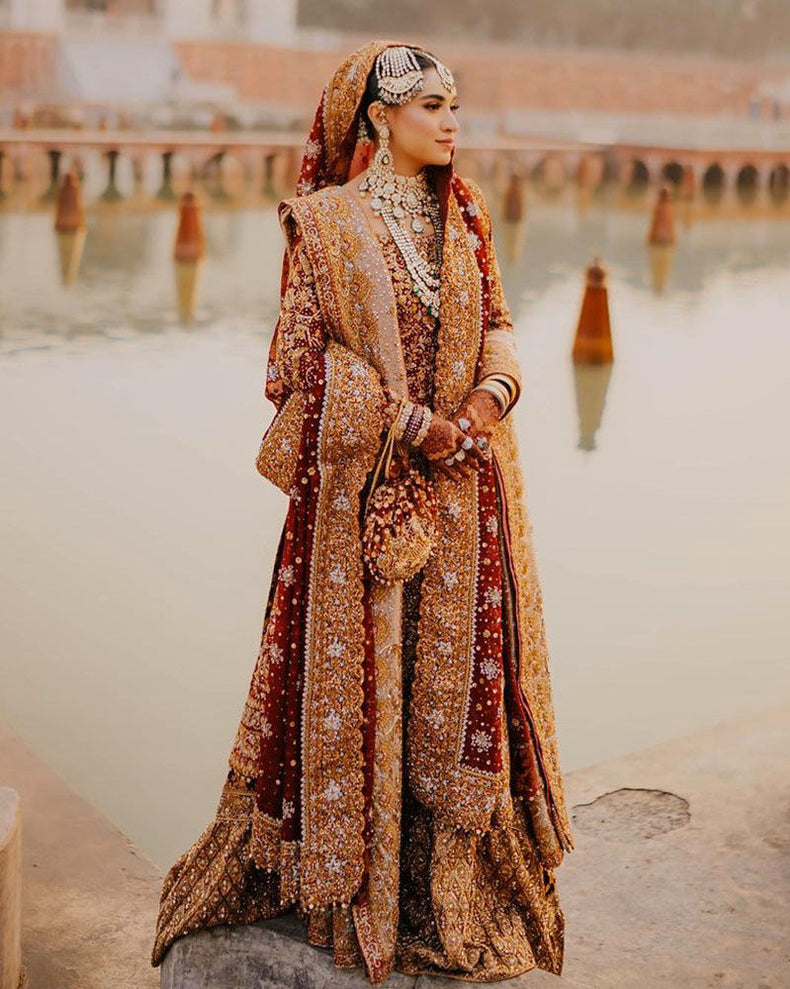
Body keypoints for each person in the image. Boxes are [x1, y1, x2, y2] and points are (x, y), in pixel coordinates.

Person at [151, 40, 574, 984]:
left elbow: (501, 318)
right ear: (380, 118)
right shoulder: (327, 225)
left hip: (467, 492)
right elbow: (295, 370)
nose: (452, 122)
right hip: (360, 503)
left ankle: (444, 892)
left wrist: (482, 405)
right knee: (368, 690)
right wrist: (404, 421)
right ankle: (349, 886)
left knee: (451, 690)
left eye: (456, 104)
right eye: (432, 105)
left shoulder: (462, 212)